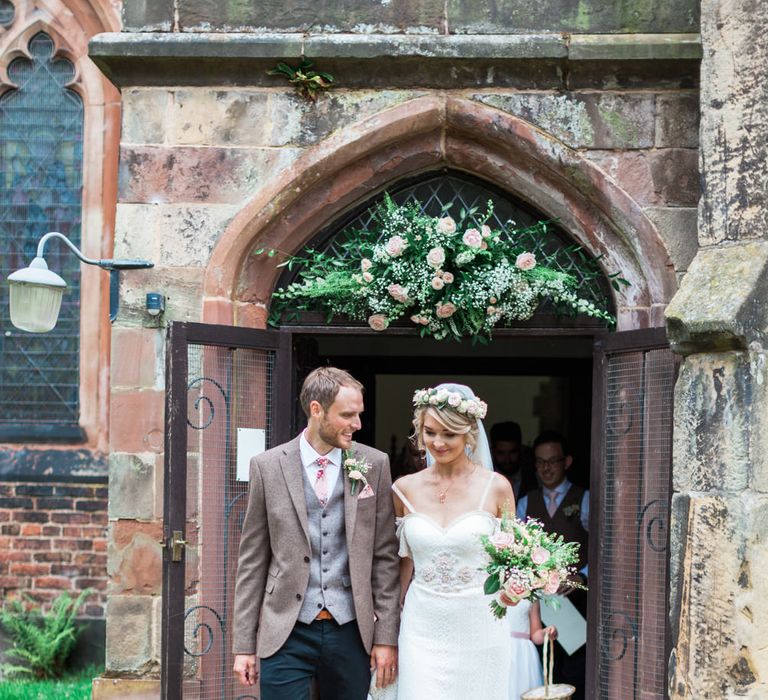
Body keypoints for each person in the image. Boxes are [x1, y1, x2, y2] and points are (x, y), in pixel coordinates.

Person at [232, 367, 400, 700]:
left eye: (359, 415)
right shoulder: (267, 467)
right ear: (316, 409)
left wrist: (385, 637)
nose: (358, 424)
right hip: (286, 628)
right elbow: (252, 561)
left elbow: (385, 558)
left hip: (351, 628)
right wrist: (244, 645)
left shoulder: (374, 463)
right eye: (348, 415)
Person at [392, 383, 515, 700]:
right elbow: (402, 563)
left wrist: (515, 591)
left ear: (469, 434)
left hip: (480, 624)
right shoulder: (403, 489)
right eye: (430, 432)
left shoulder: (497, 488)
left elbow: (512, 562)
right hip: (421, 625)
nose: (438, 442)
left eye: (449, 434)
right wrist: (387, 627)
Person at [516, 430, 588, 700]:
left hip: (576, 603)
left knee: (575, 673)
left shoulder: (585, 499)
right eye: (540, 462)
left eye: (553, 461)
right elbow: (519, 549)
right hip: (539, 603)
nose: (546, 468)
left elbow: (602, 545)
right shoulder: (525, 502)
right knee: (545, 670)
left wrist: (582, 575)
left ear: (566, 462)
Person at [507, 600, 558, 700]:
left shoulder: (531, 593)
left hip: (522, 656)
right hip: (498, 651)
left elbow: (535, 635)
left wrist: (545, 632)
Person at [490, 421, 537, 501]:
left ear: (520, 449)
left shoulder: (535, 475)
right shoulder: (484, 477)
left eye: (512, 452)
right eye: (501, 453)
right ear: (492, 451)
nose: (507, 459)